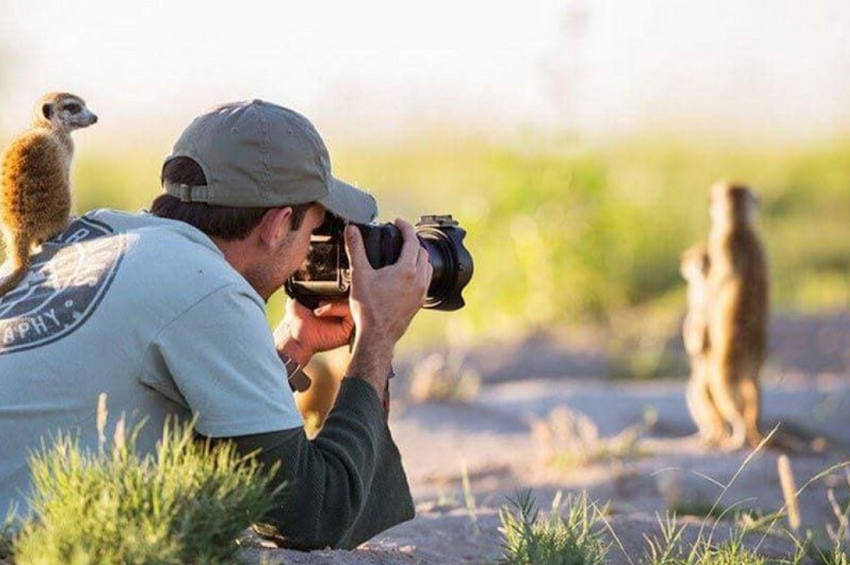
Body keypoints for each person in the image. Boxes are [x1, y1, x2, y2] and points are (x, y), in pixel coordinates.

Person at [0, 99, 432, 549]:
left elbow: (203, 439)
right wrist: (376, 341)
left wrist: (291, 347)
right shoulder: (210, 288)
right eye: (312, 232)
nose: (308, 252)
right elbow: (314, 513)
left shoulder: (93, 234)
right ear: (279, 224)